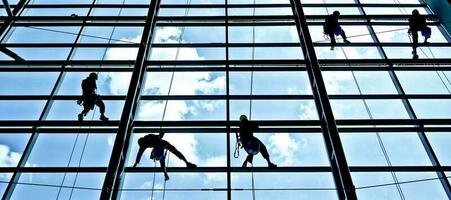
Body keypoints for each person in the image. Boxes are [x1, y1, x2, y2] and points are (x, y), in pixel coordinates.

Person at [133, 132, 197, 181]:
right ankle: (186, 163)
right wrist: (162, 132)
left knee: (162, 160)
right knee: (175, 152)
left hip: (159, 146)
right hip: (163, 144)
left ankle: (166, 174)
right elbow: (158, 136)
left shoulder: (143, 144)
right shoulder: (148, 137)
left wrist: (135, 164)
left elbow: (139, 154)